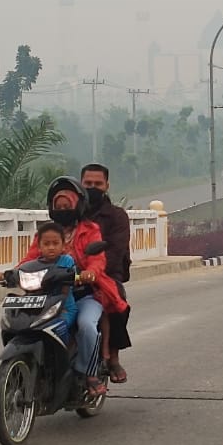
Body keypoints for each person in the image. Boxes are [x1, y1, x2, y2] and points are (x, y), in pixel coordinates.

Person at [16, 177, 126, 398]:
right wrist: (12, 273)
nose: (63, 210)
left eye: (68, 206)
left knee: (86, 326)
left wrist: (90, 272)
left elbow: (98, 259)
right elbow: (29, 259)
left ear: (78, 205)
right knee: (29, 323)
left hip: (85, 294)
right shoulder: (46, 233)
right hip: (49, 295)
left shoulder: (90, 229)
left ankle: (90, 373)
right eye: (59, 206)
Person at [80, 162, 133, 383]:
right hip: (72, 272)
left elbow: (115, 250)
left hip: (108, 272)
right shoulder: (71, 213)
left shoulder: (117, 216)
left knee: (116, 300)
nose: (92, 187)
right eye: (88, 183)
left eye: (97, 183)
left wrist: (95, 271)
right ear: (80, 184)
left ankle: (112, 356)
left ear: (107, 185)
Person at [0, 221, 78, 339]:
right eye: (46, 244)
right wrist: (5, 276)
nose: (51, 247)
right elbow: (20, 273)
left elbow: (65, 291)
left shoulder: (67, 261)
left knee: (59, 328)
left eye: (55, 243)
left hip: (62, 308)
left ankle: (64, 355)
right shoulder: (34, 265)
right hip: (39, 309)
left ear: (63, 245)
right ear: (39, 246)